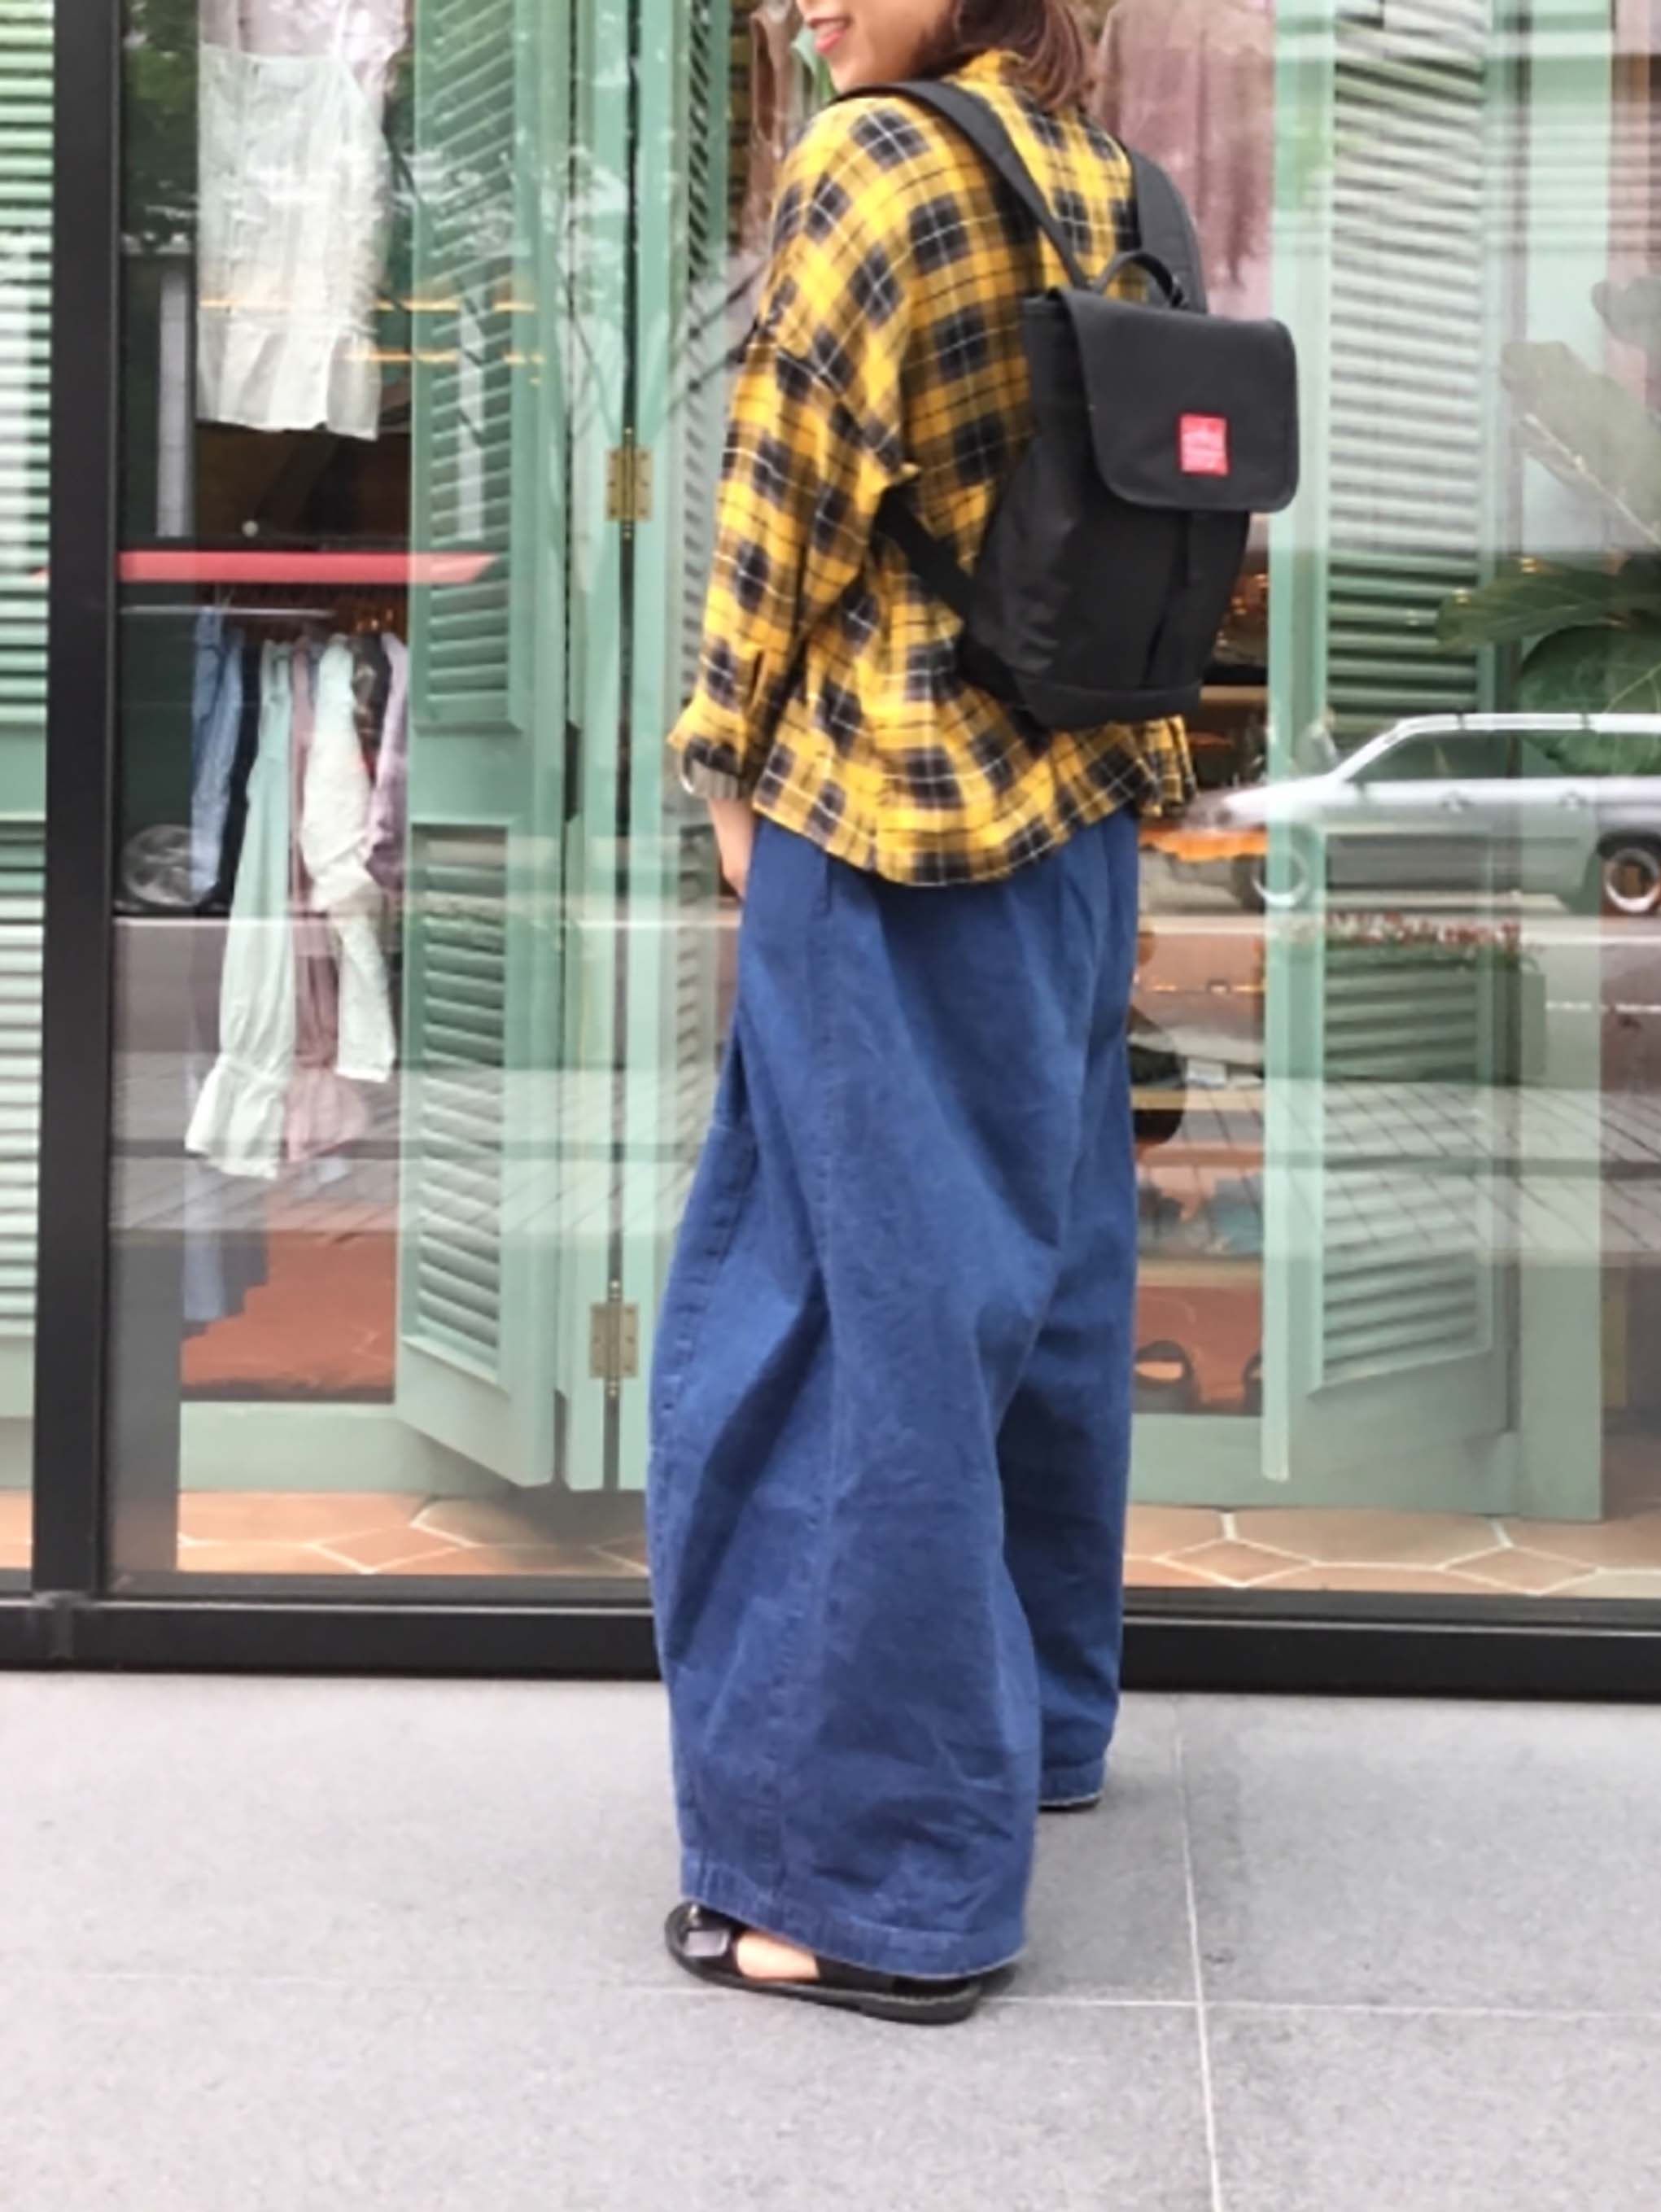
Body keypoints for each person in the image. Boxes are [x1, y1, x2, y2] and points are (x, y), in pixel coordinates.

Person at [650, 0, 1193, 2026]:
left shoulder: (873, 159)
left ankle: (871, 1882)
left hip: (887, 824)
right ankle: (1029, 1724)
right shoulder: (1103, 174)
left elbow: (785, 490)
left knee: (837, 1324)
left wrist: (720, 765)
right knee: (1035, 1296)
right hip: (1072, 815)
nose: (790, 5)